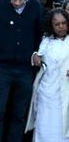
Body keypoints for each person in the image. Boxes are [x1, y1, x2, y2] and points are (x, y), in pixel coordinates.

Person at [0, 0, 43, 142]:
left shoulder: (35, 7)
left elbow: (40, 34)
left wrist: (37, 54)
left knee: (19, 113)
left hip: (25, 69)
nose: (17, 3)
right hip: (2, 67)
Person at [26, 8, 69, 142]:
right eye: (57, 24)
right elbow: (38, 55)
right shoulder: (46, 40)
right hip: (46, 92)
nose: (61, 26)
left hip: (66, 91)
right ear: (51, 26)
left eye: (64, 23)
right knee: (44, 126)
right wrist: (35, 56)